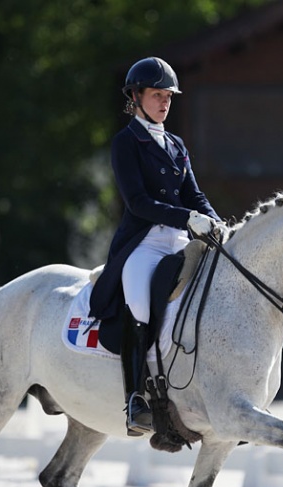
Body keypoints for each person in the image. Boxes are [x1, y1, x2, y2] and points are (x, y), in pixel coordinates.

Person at [89, 56, 226, 437]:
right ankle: (135, 400)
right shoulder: (125, 142)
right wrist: (187, 219)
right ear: (136, 97)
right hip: (145, 243)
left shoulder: (176, 143)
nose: (164, 102)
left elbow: (194, 195)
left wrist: (217, 223)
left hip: (182, 240)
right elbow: (138, 203)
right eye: (156, 95)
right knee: (140, 307)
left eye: (168, 96)